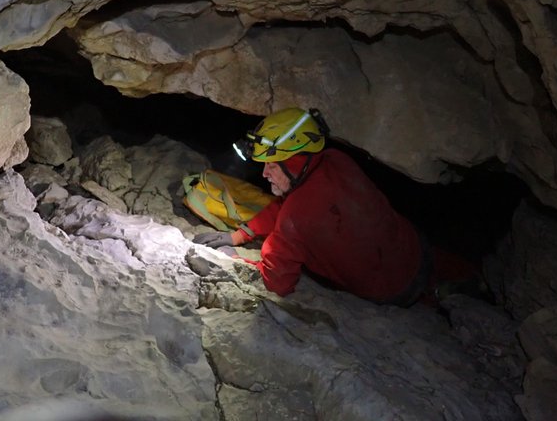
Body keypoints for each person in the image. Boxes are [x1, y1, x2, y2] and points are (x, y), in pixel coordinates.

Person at [194, 107, 477, 306]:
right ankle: (472, 283)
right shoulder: (336, 160)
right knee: (462, 275)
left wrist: (235, 256)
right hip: (416, 246)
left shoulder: (296, 218)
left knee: (433, 298)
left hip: (394, 290)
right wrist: (242, 233)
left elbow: (278, 281)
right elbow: (291, 204)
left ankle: (442, 297)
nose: (265, 173)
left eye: (272, 165)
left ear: (294, 163)